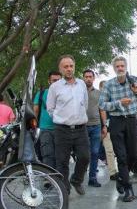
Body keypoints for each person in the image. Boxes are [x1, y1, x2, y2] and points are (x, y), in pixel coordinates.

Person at [99, 56, 137, 202]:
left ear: (125, 67)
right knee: (121, 156)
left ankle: (121, 177)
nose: (120, 68)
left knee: (133, 154)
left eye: (122, 66)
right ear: (114, 68)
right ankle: (128, 189)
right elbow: (102, 105)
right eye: (117, 66)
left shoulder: (134, 80)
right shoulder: (108, 84)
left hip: (132, 120)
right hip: (116, 121)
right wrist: (119, 103)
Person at [47, 55, 90, 195]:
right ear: (60, 69)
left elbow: (85, 103)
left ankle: (77, 180)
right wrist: (62, 119)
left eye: (71, 66)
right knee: (62, 161)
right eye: (65, 66)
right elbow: (50, 109)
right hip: (62, 130)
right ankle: (65, 188)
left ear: (74, 67)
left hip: (80, 128)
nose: (69, 69)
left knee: (85, 157)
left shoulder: (82, 84)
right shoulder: (54, 87)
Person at [33, 71, 62, 168]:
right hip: (45, 129)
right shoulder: (41, 94)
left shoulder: (66, 94)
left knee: (60, 156)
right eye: (54, 80)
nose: (56, 82)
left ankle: (58, 178)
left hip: (62, 129)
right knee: (47, 154)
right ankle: (48, 178)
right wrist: (34, 127)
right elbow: (35, 111)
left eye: (59, 80)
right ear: (49, 81)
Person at [83, 69, 106, 188]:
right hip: (82, 126)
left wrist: (105, 126)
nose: (88, 78)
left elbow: (102, 109)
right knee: (83, 154)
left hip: (96, 126)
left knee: (95, 152)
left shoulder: (99, 93)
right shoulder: (79, 92)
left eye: (90, 76)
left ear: (93, 78)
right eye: (86, 76)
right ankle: (79, 178)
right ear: (83, 78)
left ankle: (92, 178)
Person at [99, 80, 118, 180]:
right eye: (103, 87)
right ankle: (112, 172)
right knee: (109, 150)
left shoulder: (113, 100)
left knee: (117, 151)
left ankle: (119, 170)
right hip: (104, 129)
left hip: (115, 128)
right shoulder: (98, 101)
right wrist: (103, 127)